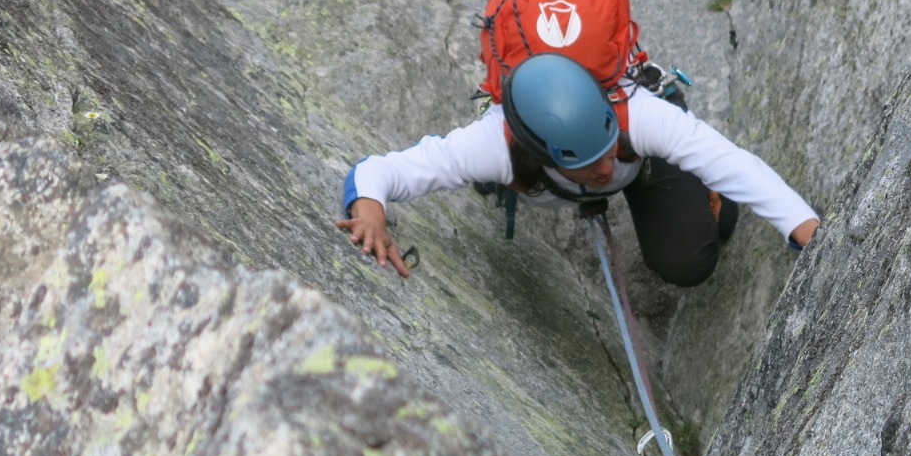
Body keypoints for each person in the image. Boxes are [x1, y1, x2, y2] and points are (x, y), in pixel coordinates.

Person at [337, 52, 820, 285]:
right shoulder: (492, 144)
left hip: (645, 156)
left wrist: (810, 235)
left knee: (687, 262)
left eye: (609, 150)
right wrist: (371, 215)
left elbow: (735, 164)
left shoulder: (640, 115)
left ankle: (708, 200)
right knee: (486, 178)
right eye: (593, 166)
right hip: (529, 168)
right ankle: (523, 185)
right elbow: (378, 171)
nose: (608, 167)